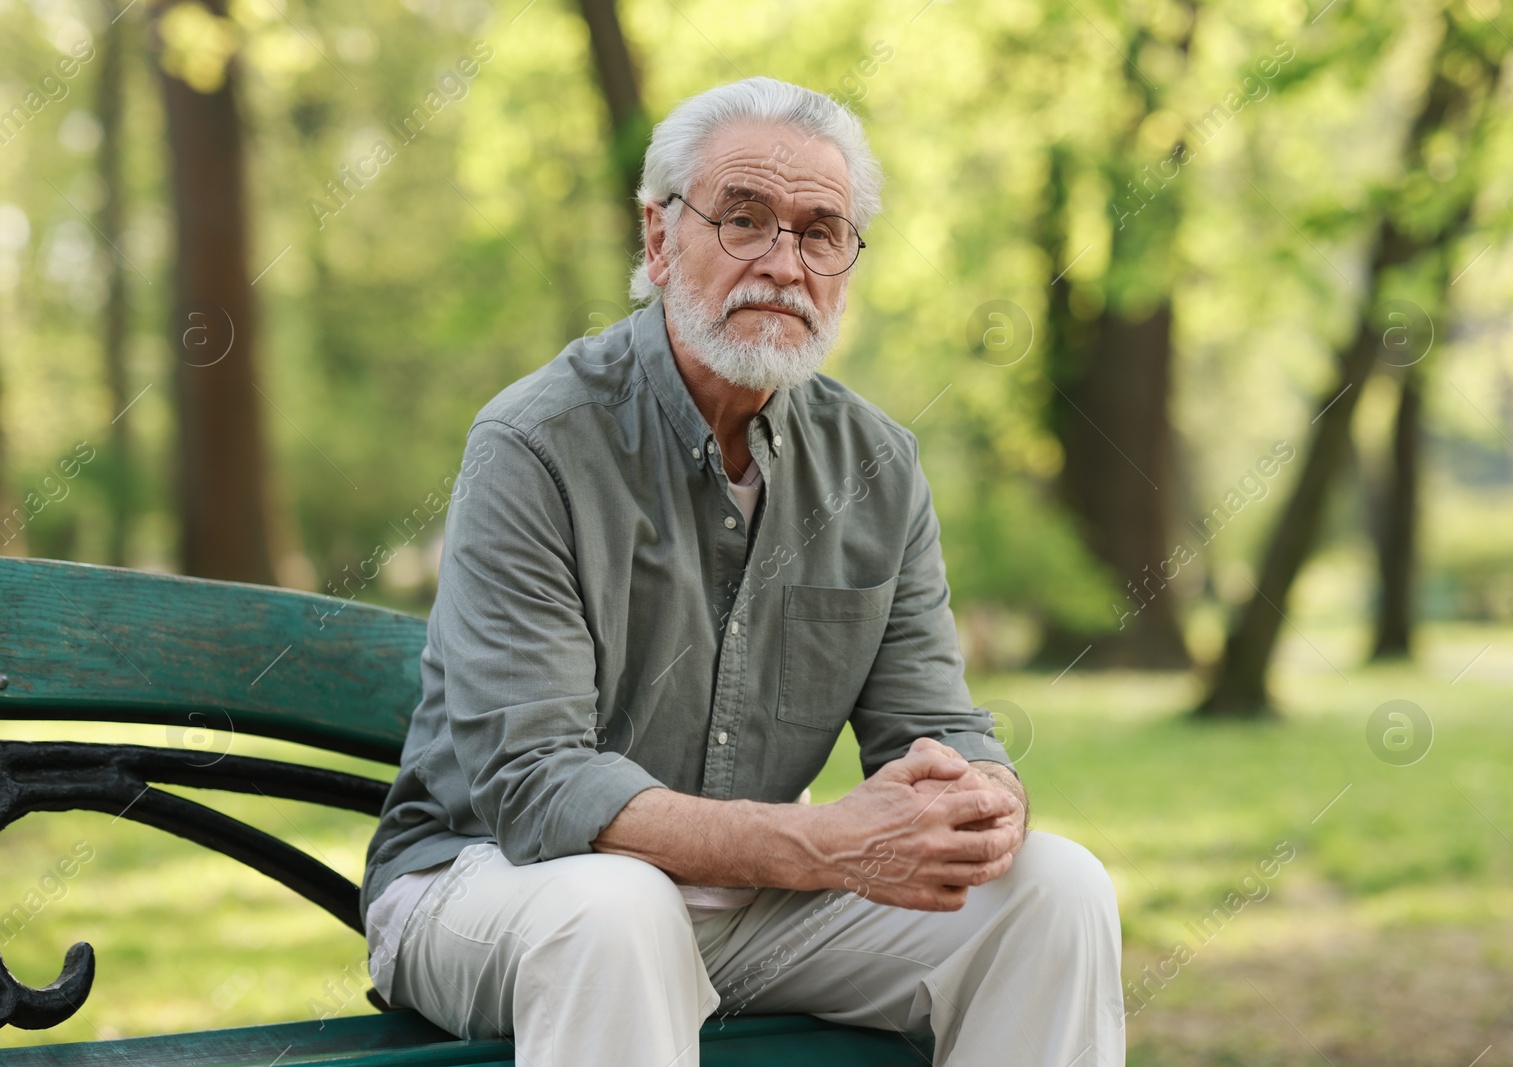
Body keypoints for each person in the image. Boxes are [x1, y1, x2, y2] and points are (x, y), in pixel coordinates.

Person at [359, 74, 1124, 1067]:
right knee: (618, 904)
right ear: (656, 238)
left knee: (1054, 890)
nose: (784, 262)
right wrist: (823, 843)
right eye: (745, 218)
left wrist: (983, 794)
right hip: (488, 882)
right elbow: (536, 787)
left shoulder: (877, 466)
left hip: (755, 908)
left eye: (820, 230)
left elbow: (931, 726)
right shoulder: (535, 443)